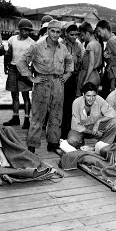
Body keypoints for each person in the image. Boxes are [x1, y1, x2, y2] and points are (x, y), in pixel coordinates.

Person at [17, 19, 74, 153]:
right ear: (48, 31)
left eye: (58, 32)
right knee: (38, 115)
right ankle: (32, 145)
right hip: (42, 83)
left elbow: (70, 62)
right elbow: (21, 62)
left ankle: (53, 143)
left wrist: (66, 75)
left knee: (56, 114)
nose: (55, 34)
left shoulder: (63, 48)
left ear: (61, 33)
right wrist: (32, 78)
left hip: (58, 83)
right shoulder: (37, 47)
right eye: (52, 31)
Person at [3, 19, 35, 129]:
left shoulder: (32, 43)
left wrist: (30, 72)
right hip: (12, 68)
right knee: (14, 94)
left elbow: (34, 59)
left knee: (25, 95)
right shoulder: (12, 39)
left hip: (24, 69)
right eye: (25, 30)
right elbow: (8, 54)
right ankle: (15, 117)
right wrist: (5, 66)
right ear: (20, 30)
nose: (27, 32)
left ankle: (27, 119)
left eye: (29, 31)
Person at [67, 82, 116, 148]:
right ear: (83, 95)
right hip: (81, 129)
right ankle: (82, 144)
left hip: (95, 127)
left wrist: (99, 121)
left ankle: (101, 145)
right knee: (72, 140)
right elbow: (76, 125)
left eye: (94, 96)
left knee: (114, 122)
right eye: (88, 96)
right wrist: (92, 132)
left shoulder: (99, 99)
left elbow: (113, 113)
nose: (91, 99)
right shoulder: (76, 103)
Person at [60, 22, 84, 139]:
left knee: (70, 105)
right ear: (66, 34)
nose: (74, 37)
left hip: (72, 78)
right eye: (72, 34)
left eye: (76, 35)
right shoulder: (60, 45)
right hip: (62, 77)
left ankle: (66, 132)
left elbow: (80, 63)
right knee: (59, 104)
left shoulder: (78, 47)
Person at [95, 19, 116, 98]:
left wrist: (110, 65)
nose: (99, 34)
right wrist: (107, 57)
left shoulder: (111, 41)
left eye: (99, 31)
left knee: (115, 98)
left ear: (105, 30)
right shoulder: (113, 39)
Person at [77, 22, 102, 96]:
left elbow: (91, 63)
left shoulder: (90, 45)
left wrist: (85, 79)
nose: (82, 38)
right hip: (96, 75)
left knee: (82, 99)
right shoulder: (98, 44)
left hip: (89, 75)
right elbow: (99, 63)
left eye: (82, 35)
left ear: (87, 33)